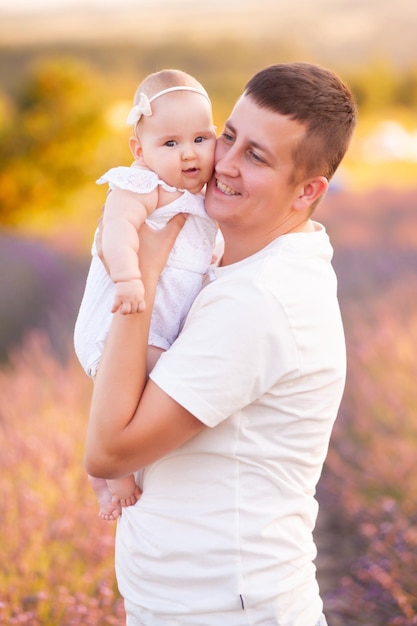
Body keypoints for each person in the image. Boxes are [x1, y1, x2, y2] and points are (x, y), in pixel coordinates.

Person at [85, 62, 357, 625]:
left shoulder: (258, 301)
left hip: (228, 611)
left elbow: (108, 451)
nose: (221, 165)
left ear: (307, 190)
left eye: (256, 156)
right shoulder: (234, 265)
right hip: (188, 602)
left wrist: (146, 274)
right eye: (227, 136)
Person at [74, 69, 217, 520]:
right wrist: (130, 278)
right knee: (155, 384)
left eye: (201, 138)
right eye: (170, 144)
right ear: (140, 150)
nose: (189, 153)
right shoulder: (142, 186)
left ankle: (110, 462)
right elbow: (115, 230)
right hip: (122, 313)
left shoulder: (202, 198)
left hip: (157, 322)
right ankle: (109, 470)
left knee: (154, 391)